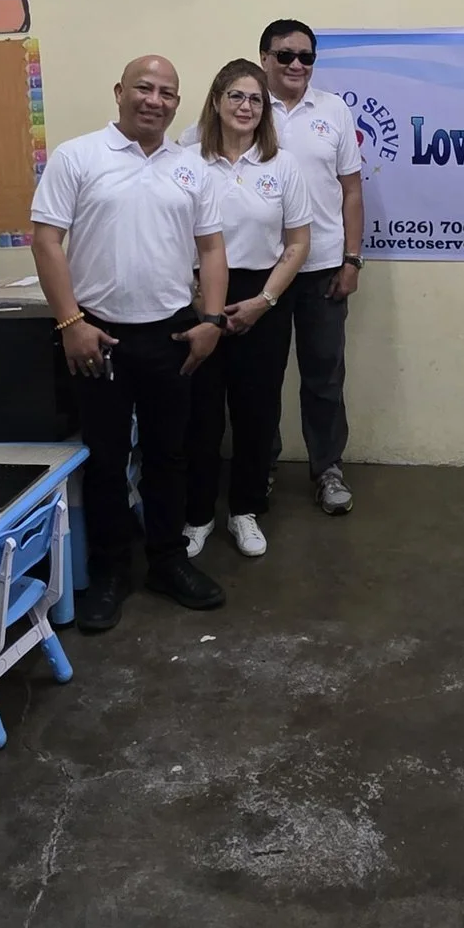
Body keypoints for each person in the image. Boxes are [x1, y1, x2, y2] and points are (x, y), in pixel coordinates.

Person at [31, 55, 231, 632]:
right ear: (119, 91)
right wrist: (71, 323)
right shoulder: (78, 156)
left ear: (177, 103)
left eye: (168, 92)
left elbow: (212, 249)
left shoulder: (192, 168)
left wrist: (212, 321)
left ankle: (168, 561)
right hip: (99, 337)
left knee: (172, 455)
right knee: (107, 460)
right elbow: (47, 240)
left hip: (173, 334)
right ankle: (111, 569)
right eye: (144, 88)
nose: (155, 100)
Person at [182, 59, 312, 562]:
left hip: (265, 296)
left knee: (257, 411)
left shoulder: (282, 165)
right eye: (236, 96)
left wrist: (263, 302)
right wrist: (202, 305)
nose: (246, 107)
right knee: (201, 412)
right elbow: (176, 238)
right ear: (216, 101)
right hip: (197, 297)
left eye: (255, 99)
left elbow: (298, 244)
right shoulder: (187, 161)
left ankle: (244, 512)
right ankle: (197, 517)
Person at [259, 19, 364, 514]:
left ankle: (328, 470)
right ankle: (259, 471)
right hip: (261, 271)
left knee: (324, 377)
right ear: (265, 59)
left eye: (306, 56)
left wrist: (352, 259)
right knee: (261, 378)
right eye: (285, 56)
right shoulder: (245, 108)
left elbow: (351, 191)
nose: (297, 65)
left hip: (323, 268)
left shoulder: (335, 111)